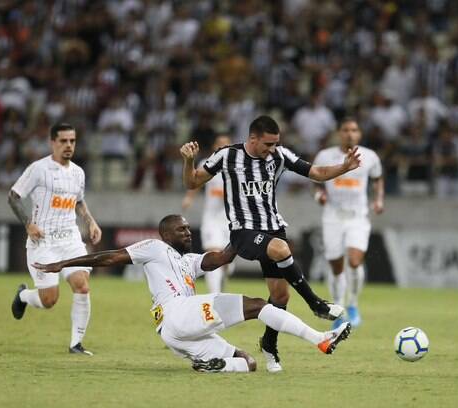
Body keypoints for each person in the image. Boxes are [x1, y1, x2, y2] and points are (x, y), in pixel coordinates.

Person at [33, 214, 352, 373]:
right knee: (255, 304)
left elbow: (221, 258)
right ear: (166, 233)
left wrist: (245, 237)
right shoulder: (154, 248)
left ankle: (213, 366)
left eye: (188, 229)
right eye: (182, 229)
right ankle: (320, 339)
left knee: (247, 363)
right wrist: (64, 263)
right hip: (178, 312)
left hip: (176, 335)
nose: (188, 232)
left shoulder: (187, 261)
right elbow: (109, 257)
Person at [180, 115, 360, 372]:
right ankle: (316, 304)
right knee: (282, 250)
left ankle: (269, 343)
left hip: (273, 227)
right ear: (252, 139)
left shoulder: (280, 156)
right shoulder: (227, 156)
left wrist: (343, 167)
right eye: (268, 144)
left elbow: (316, 173)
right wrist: (188, 161)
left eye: (276, 143)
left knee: (280, 295)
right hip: (244, 231)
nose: (272, 149)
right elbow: (192, 182)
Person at [8, 122, 102, 355]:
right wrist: (29, 224)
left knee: (82, 286)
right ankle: (23, 296)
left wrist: (91, 221)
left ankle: (76, 344)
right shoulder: (38, 169)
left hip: (70, 239)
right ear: (53, 143)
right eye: (63, 141)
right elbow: (13, 196)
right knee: (49, 300)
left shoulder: (78, 172)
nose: (69, 145)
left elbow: (78, 201)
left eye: (72, 141)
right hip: (44, 241)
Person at [313, 118, 384, 329]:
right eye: (346, 130)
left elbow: (378, 178)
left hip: (357, 216)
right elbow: (316, 182)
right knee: (335, 265)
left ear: (359, 134)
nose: (350, 134)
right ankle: (338, 309)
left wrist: (379, 199)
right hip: (332, 216)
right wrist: (319, 196)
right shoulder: (325, 156)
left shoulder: (370, 156)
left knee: (354, 261)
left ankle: (352, 304)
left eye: (354, 130)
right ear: (339, 133)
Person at [182, 134, 234, 293]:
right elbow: (196, 181)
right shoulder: (206, 163)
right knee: (213, 254)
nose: (222, 147)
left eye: (226, 144)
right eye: (220, 144)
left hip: (231, 220)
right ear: (214, 146)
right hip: (212, 219)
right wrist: (189, 197)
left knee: (227, 264)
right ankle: (215, 297)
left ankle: (221, 284)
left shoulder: (235, 166)